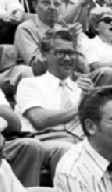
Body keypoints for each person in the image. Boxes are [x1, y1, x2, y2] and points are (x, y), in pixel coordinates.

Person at [16, 28, 95, 177]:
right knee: (69, 150)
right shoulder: (29, 84)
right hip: (46, 142)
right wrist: (81, 106)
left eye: (71, 53)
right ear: (45, 55)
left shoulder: (81, 88)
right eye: (60, 53)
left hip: (81, 139)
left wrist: (93, 101)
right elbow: (40, 120)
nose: (67, 58)